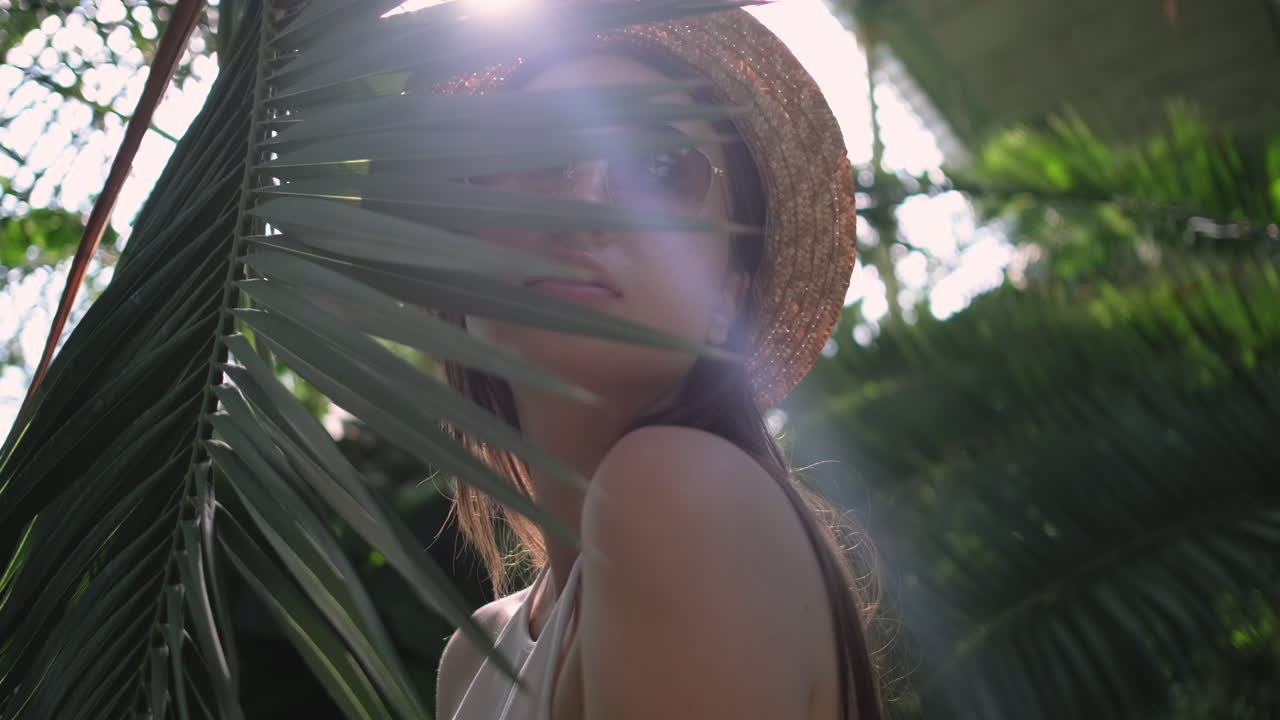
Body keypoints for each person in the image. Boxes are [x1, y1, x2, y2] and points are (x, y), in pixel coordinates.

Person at [427, 3, 881, 719]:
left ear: (726, 300)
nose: (585, 199)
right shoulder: (474, 653)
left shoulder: (679, 490)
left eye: (662, 167)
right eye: (537, 158)